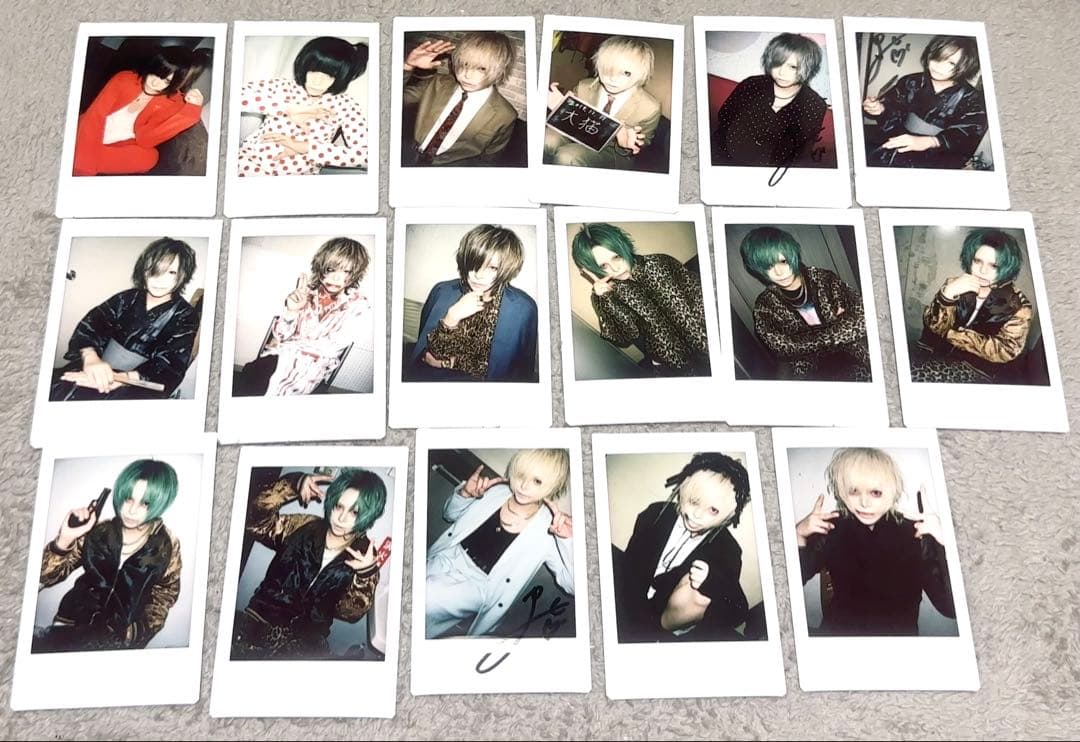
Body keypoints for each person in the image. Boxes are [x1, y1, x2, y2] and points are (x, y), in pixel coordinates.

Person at [795, 447, 956, 636]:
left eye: (876, 492)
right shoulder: (831, 527)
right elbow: (788, 586)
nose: (864, 502)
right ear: (843, 492)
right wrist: (798, 535)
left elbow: (950, 608)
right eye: (854, 491)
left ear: (892, 491)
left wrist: (945, 541)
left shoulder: (916, 533)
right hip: (838, 637)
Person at [232, 467, 387, 659]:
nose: (341, 518)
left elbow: (349, 614)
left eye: (354, 512)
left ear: (368, 516)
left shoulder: (364, 556)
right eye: (339, 506)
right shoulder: (302, 525)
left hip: (305, 643)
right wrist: (291, 485)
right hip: (260, 621)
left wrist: (365, 575)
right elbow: (256, 523)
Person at [33, 459, 182, 653]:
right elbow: (44, 576)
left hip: (115, 639)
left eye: (145, 503)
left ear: (160, 502)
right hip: (69, 625)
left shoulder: (166, 545)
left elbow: (165, 594)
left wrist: (136, 632)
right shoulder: (100, 531)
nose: (132, 510)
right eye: (128, 499)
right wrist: (65, 539)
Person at [425, 449, 574, 638]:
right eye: (521, 475)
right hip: (447, 556)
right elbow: (449, 515)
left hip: (479, 585)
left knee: (428, 595)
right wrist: (465, 494)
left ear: (553, 486)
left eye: (537, 481)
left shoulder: (549, 527)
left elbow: (572, 585)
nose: (524, 485)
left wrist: (567, 540)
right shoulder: (496, 491)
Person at [612, 453, 753, 643]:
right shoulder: (656, 514)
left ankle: (650, 633)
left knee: (700, 593)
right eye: (694, 501)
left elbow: (737, 611)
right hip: (632, 598)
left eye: (713, 510)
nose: (697, 515)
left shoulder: (727, 548)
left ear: (729, 516)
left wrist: (711, 581)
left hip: (664, 618)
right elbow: (631, 564)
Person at [50, 237, 199, 401]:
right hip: (96, 365)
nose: (159, 279)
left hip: (137, 383)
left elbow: (171, 365)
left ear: (183, 275)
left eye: (171, 272)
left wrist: (122, 379)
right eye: (153, 270)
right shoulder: (126, 298)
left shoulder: (186, 315)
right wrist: (90, 358)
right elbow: (93, 324)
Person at [233, 237, 371, 396]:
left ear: (355, 274)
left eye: (346, 271)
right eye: (331, 269)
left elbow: (331, 348)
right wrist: (292, 310)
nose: (335, 278)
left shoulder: (358, 305)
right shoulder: (307, 293)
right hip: (277, 358)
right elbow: (280, 335)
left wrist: (288, 345)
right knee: (251, 378)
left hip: (309, 369)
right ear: (321, 267)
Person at [571, 222, 710, 376]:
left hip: (706, 346)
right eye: (603, 265)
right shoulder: (609, 295)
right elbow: (623, 338)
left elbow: (699, 301)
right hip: (670, 366)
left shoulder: (659, 264)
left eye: (616, 257)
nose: (615, 268)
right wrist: (605, 298)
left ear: (623, 246)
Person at [405, 224, 538, 382]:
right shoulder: (441, 291)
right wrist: (451, 318)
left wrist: (448, 363)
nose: (478, 275)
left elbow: (519, 372)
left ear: (507, 269)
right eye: (474, 264)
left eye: (492, 268)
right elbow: (426, 357)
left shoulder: (523, 308)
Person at [739, 226, 871, 381]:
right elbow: (781, 348)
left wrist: (802, 339)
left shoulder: (823, 279)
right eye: (769, 266)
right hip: (809, 366)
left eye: (783, 261)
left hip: (851, 350)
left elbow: (862, 318)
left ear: (792, 254)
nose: (779, 272)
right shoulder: (765, 306)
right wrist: (838, 327)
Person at [911, 228, 1034, 384]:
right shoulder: (954, 284)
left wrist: (954, 335)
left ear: (1007, 267)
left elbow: (1005, 350)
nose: (982, 271)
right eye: (977, 261)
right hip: (933, 351)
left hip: (976, 368)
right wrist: (947, 296)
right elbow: (932, 325)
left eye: (994, 266)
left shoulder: (1019, 306)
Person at [236, 36, 369, 176]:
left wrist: (309, 148)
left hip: (298, 176)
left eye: (330, 75)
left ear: (341, 77)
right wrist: (286, 109)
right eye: (313, 71)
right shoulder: (282, 86)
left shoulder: (345, 105)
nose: (318, 81)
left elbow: (367, 155)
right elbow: (233, 96)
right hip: (248, 162)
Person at [73, 45, 210, 176]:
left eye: (167, 81)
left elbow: (146, 140)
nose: (155, 83)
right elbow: (95, 117)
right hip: (88, 132)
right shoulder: (125, 79)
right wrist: (83, 166)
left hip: (118, 145)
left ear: (176, 84)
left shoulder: (171, 102)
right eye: (157, 73)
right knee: (84, 134)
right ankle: (80, 159)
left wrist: (189, 114)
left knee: (150, 158)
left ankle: (79, 157)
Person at [862, 35, 988, 169]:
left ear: (966, 67)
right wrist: (881, 109)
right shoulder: (911, 81)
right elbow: (894, 107)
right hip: (901, 138)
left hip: (941, 154)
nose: (939, 66)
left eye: (951, 63)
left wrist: (932, 141)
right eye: (937, 57)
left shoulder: (972, 98)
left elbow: (968, 133)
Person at [544, 35, 662, 170]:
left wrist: (628, 144)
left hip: (612, 151)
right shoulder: (584, 87)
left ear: (643, 73)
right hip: (579, 135)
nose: (612, 79)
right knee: (547, 139)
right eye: (607, 69)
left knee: (568, 156)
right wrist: (561, 110)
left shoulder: (650, 108)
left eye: (626, 73)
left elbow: (643, 144)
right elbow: (571, 121)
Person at [711, 32, 828, 168]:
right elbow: (725, 117)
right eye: (777, 64)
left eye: (792, 67)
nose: (781, 72)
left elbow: (800, 153)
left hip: (769, 170)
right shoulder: (752, 85)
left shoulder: (814, 105)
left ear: (808, 68)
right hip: (723, 155)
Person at [401, 32, 519, 165]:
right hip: (407, 157)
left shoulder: (505, 115)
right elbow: (395, 101)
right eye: (464, 64)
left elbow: (488, 161)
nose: (467, 75)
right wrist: (407, 66)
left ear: (501, 70)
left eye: (481, 68)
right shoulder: (437, 83)